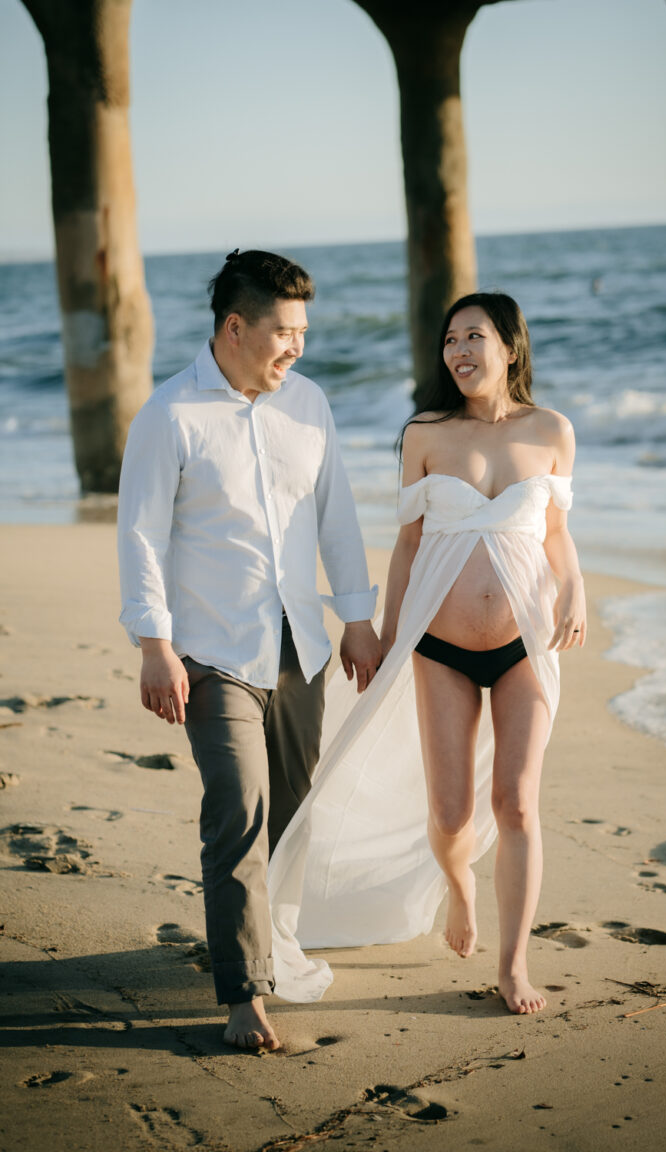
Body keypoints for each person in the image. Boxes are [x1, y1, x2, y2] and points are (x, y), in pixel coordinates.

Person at [266, 291, 585, 1017]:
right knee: (449, 816)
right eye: (450, 340)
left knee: (516, 805)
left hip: (525, 643)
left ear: (510, 346)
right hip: (437, 645)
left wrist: (577, 591)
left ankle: (514, 964)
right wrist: (381, 632)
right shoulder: (425, 435)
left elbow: (557, 533)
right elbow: (408, 546)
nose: (460, 351)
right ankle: (458, 885)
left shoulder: (553, 431)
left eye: (475, 336)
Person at [117, 249, 381, 1051]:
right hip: (211, 653)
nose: (296, 347)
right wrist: (154, 645)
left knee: (294, 813)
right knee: (239, 812)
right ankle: (243, 993)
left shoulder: (310, 406)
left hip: (299, 648)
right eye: (284, 332)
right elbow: (141, 536)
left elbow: (335, 517)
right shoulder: (169, 416)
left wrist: (359, 618)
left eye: (303, 331)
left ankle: (276, 941)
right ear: (236, 328)